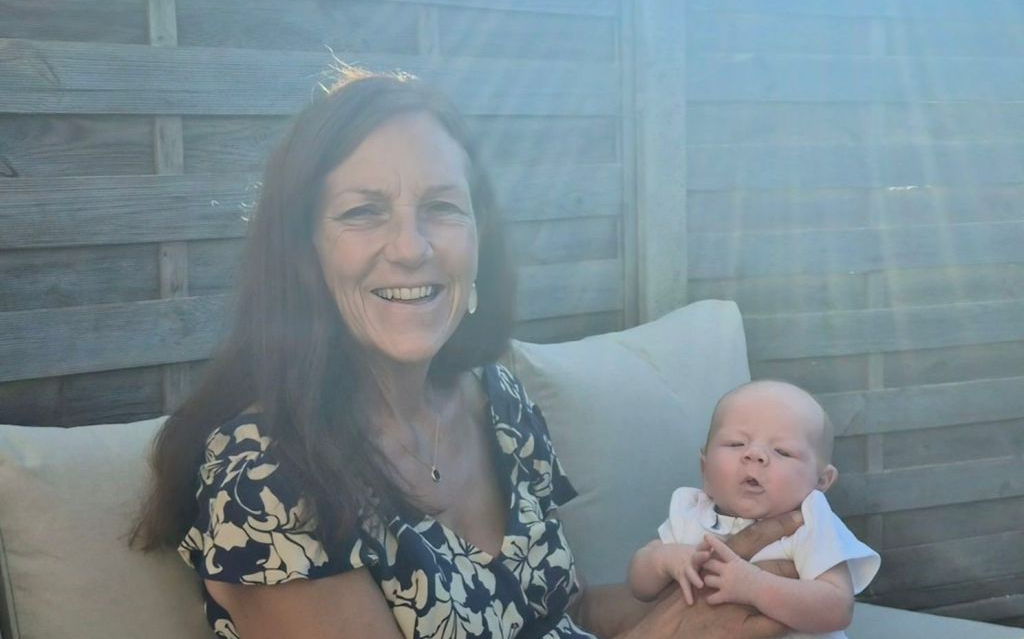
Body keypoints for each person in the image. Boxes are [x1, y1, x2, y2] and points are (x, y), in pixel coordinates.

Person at [132, 68, 803, 639]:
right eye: (363, 212)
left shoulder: (499, 401)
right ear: (303, 252)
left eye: (443, 207)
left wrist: (725, 593)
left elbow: (563, 614)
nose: (411, 247)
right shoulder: (264, 474)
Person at [628, 381, 881, 639]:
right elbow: (640, 588)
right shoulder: (690, 514)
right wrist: (663, 560)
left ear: (821, 481)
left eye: (782, 451)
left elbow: (837, 608)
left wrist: (754, 586)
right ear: (705, 470)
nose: (754, 454)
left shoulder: (810, 524)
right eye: (736, 443)